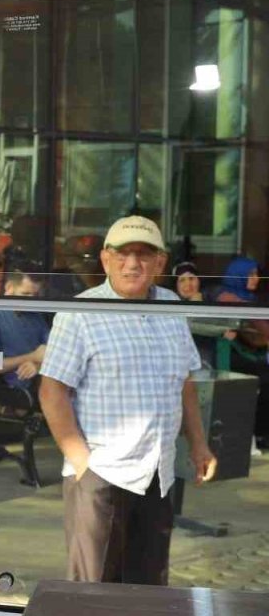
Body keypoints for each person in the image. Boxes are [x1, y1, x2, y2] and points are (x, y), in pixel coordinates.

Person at [39, 215, 217, 586]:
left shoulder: (170, 306)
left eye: (143, 254)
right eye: (123, 254)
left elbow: (185, 381)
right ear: (105, 259)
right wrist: (82, 462)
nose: (132, 263)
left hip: (157, 472)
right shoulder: (80, 313)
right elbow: (52, 390)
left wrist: (199, 444)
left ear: (160, 263)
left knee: (149, 587)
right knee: (94, 589)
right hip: (103, 473)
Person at [215, 256, 269, 446]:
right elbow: (264, 330)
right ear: (238, 276)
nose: (255, 278)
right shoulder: (230, 298)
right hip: (230, 358)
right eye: (251, 274)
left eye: (256, 274)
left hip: (250, 354)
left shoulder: (250, 299)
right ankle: (261, 434)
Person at [0, 265, 50, 389]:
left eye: (34, 295)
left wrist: (37, 365)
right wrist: (32, 357)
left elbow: (50, 351)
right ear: (9, 288)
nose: (30, 300)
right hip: (5, 393)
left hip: (37, 385)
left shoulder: (35, 315)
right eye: (25, 294)